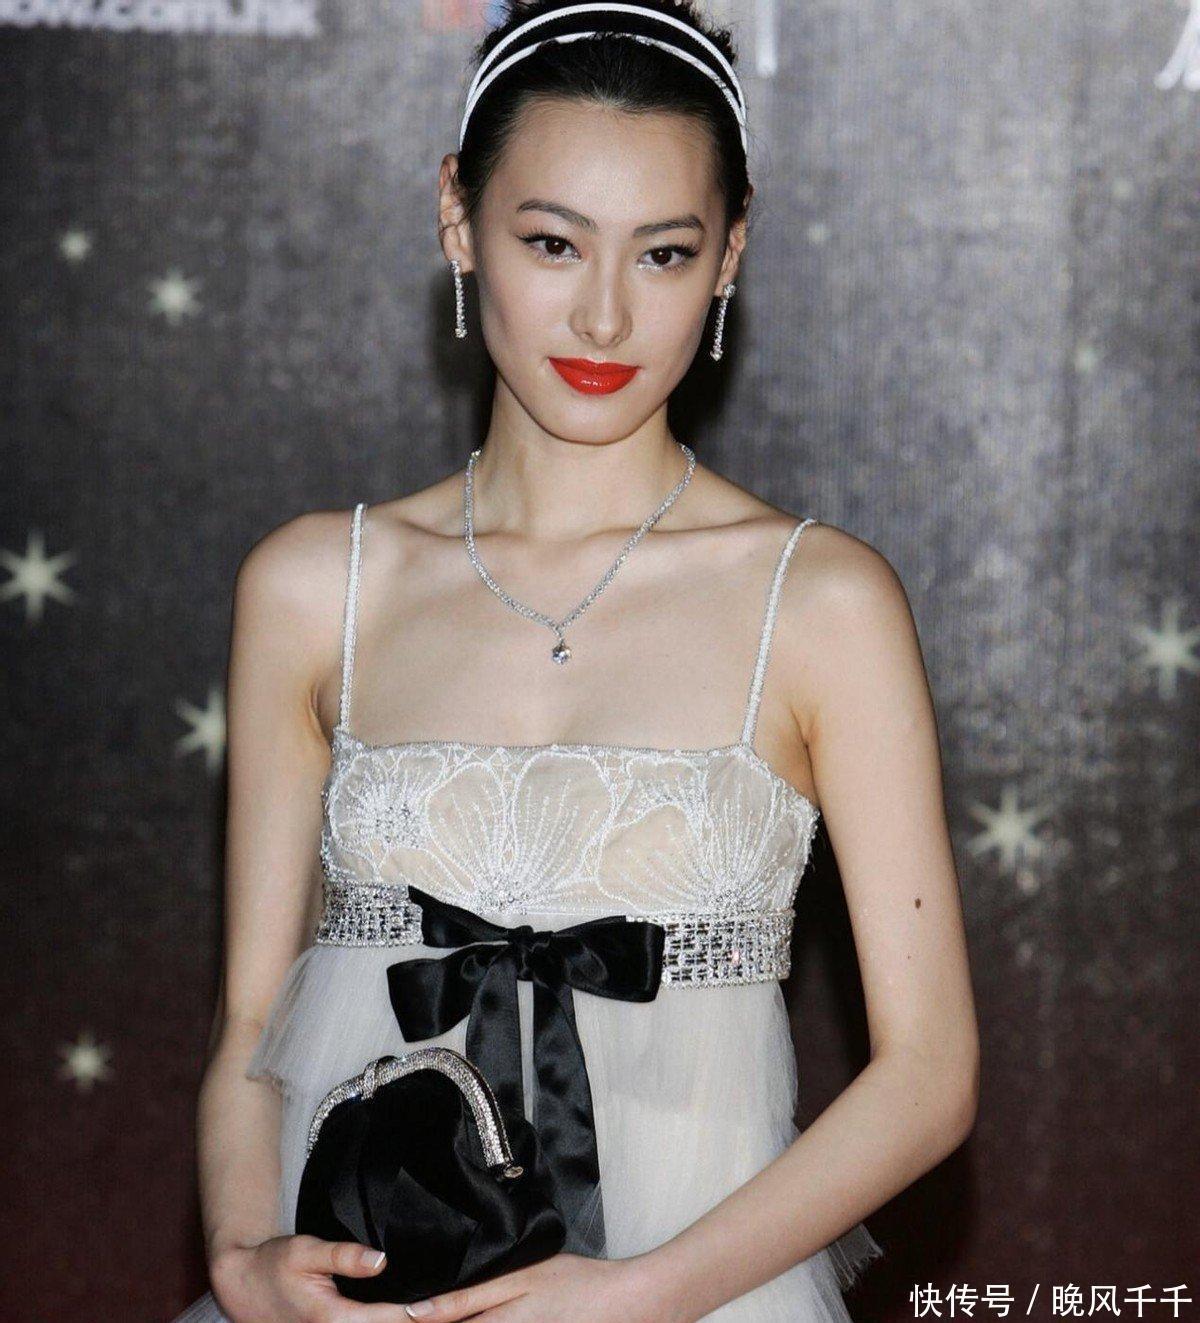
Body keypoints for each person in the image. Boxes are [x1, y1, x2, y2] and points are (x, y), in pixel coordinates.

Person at [170, 2, 979, 1320]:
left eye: (664, 253)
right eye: (551, 242)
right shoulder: (315, 587)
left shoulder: (822, 603)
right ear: (458, 217)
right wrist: (243, 1252)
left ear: (730, 255)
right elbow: (250, 1021)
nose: (603, 316)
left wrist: (638, 1295)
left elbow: (929, 1073)